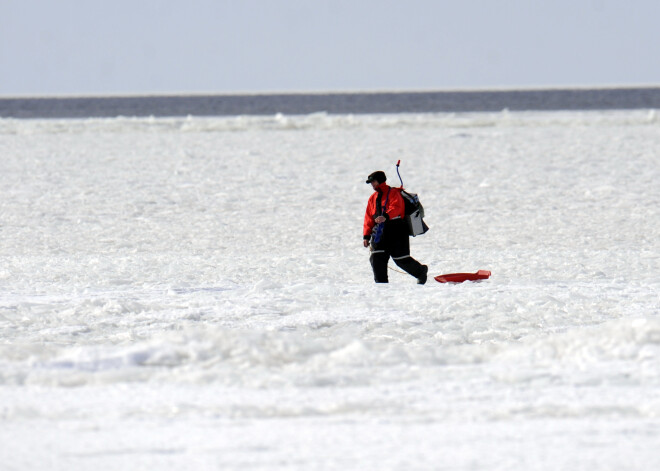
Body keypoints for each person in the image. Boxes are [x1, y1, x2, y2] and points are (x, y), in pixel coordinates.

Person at [363, 171, 428, 284]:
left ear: (380, 181)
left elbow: (397, 207)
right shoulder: (372, 198)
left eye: (373, 181)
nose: (372, 184)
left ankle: (420, 271)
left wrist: (386, 216)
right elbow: (369, 218)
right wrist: (366, 236)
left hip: (397, 230)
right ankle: (381, 286)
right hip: (379, 232)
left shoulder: (393, 193)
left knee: (401, 259)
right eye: (371, 182)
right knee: (377, 258)